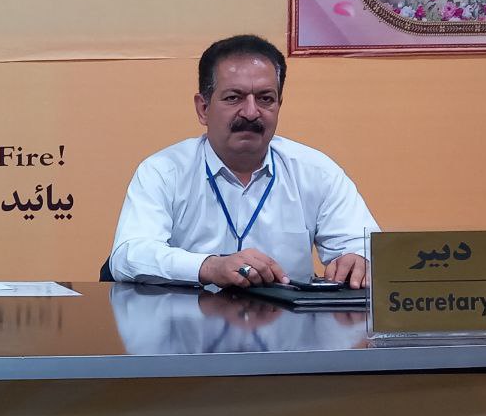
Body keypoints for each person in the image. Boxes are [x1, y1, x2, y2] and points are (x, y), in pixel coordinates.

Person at [109, 34, 378, 289]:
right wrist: (209, 266)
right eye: (233, 98)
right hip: (189, 319)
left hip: (287, 321)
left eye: (265, 99)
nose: (251, 112)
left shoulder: (317, 172)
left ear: (279, 105)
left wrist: (360, 260)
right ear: (203, 108)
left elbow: (366, 247)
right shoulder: (164, 171)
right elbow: (129, 255)